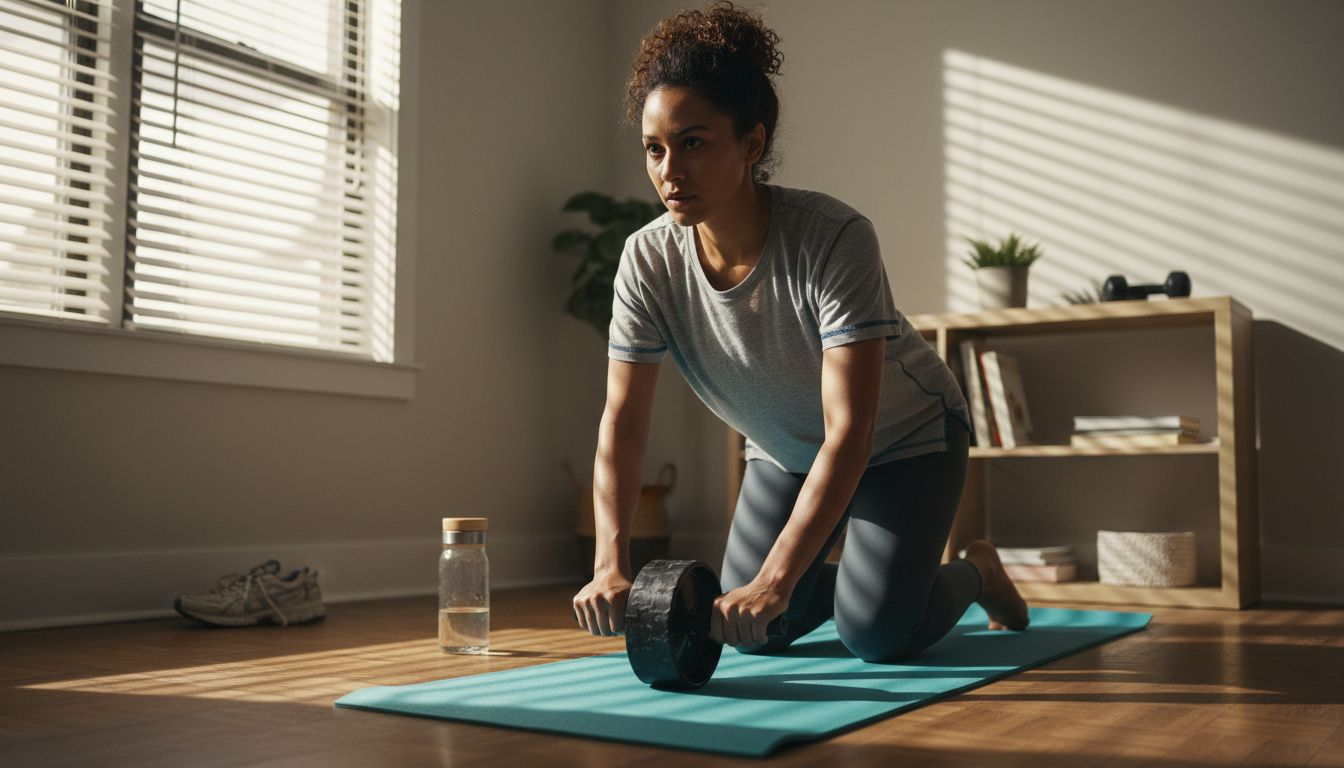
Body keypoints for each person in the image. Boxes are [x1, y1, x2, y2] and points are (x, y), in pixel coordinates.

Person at [572, 0, 1029, 662]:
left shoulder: (834, 238)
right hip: (784, 452)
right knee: (754, 631)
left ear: (751, 143)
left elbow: (852, 431)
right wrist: (608, 561)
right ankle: (865, 587)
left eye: (693, 142)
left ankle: (976, 572)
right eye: (654, 148)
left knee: (875, 635)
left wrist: (779, 577)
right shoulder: (647, 260)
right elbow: (623, 420)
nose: (669, 172)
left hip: (906, 442)